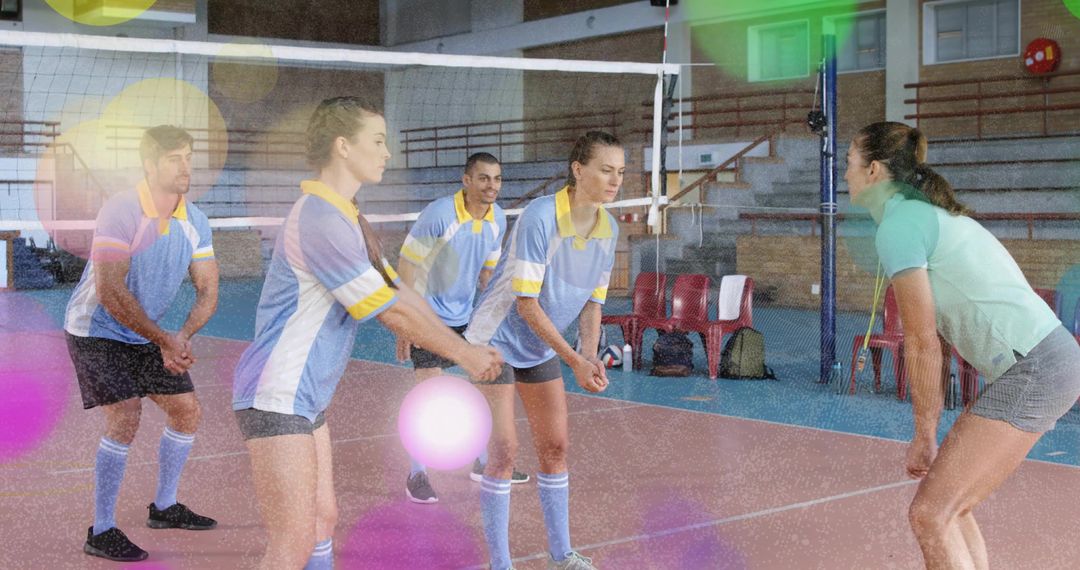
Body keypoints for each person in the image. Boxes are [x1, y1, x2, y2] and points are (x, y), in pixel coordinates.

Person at [232, 96, 503, 569]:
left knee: (323, 519)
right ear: (342, 146)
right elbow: (389, 314)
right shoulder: (319, 217)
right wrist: (465, 355)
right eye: (377, 141)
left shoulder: (347, 215)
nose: (386, 153)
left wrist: (463, 343)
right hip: (275, 394)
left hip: (306, 398)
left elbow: (400, 291)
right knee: (292, 542)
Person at [845, 121, 1080, 569]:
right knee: (952, 509)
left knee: (930, 514)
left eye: (850, 163)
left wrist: (925, 432)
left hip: (1038, 366)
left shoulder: (900, 225)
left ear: (874, 169)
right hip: (1051, 361)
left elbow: (920, 339)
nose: (846, 173)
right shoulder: (922, 216)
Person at [465, 131, 623, 570]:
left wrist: (588, 355)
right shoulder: (541, 217)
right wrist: (573, 359)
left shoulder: (608, 228)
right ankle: (501, 564)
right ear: (578, 170)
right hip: (494, 341)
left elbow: (594, 301)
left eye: (621, 172)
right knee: (505, 451)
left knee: (554, 447)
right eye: (606, 170)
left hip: (539, 346)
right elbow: (527, 305)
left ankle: (562, 555)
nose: (615, 181)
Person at [64, 125, 220, 562]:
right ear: (150, 165)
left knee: (186, 411)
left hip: (144, 332)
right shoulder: (122, 210)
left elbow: (208, 290)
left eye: (189, 156)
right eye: (174, 158)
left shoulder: (196, 221)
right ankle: (102, 529)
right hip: (95, 328)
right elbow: (111, 291)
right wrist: (163, 339)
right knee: (126, 417)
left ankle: (165, 506)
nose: (185, 166)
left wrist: (183, 336)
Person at [395, 152, 529, 504]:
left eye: (497, 179)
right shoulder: (439, 214)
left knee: (484, 389)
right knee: (429, 399)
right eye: (484, 178)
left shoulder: (498, 218)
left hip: (465, 316)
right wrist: (405, 325)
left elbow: (487, 273)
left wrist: (500, 314)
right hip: (427, 317)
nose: (492, 186)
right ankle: (417, 474)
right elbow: (407, 267)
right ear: (466, 180)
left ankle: (483, 463)